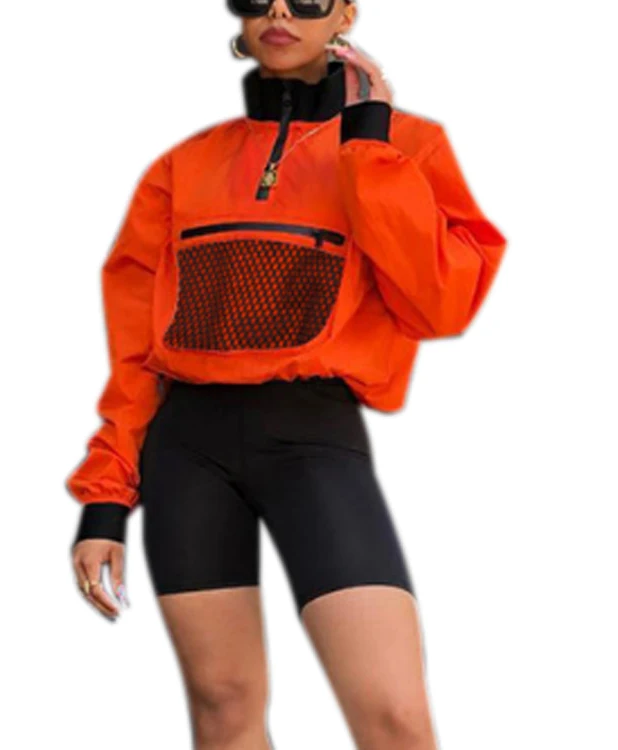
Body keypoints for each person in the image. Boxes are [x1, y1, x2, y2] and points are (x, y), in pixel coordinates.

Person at [66, 1, 507, 748]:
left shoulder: (407, 146)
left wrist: (367, 151)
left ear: (344, 13)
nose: (278, 11)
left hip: (312, 438)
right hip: (186, 449)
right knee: (223, 707)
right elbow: (135, 350)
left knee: (395, 718)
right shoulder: (183, 166)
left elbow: (441, 304)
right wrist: (107, 499)